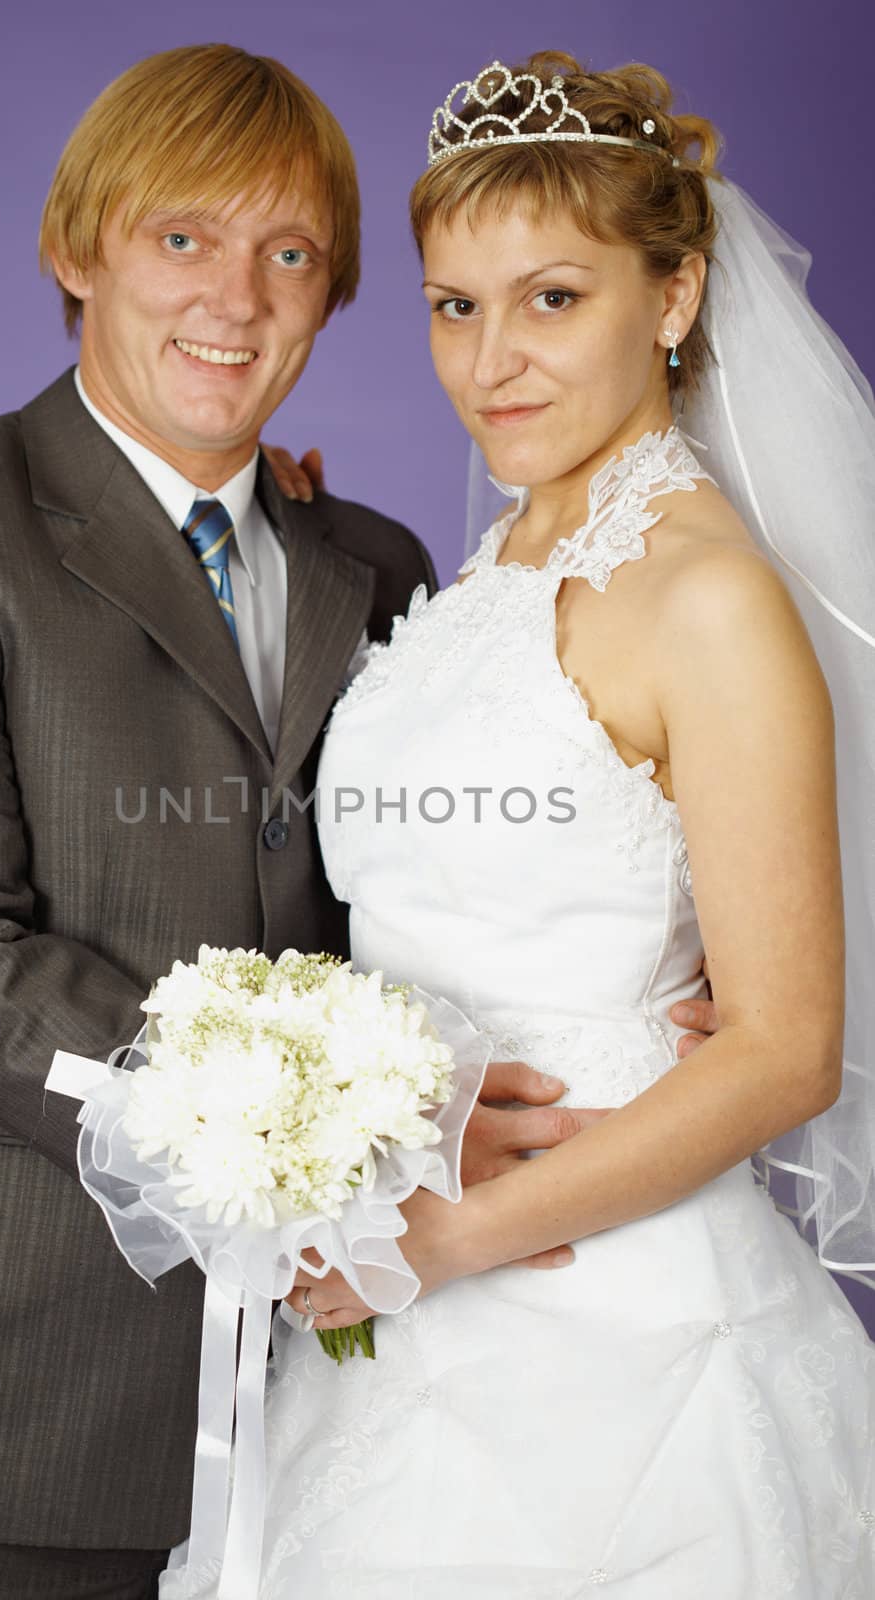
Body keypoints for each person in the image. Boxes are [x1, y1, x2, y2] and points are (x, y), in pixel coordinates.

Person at [0, 42, 587, 1600]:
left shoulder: (375, 560)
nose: (236, 300)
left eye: (289, 254)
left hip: (333, 1400)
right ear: (74, 247)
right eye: (184, 238)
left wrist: (643, 986)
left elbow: (436, 876)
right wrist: (335, 1144)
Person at [214, 51, 875, 1597]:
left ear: (675, 296)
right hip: (397, 1294)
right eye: (456, 305)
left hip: (614, 1312)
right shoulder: (499, 559)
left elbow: (783, 1048)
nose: (491, 361)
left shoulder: (706, 598)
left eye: (554, 299)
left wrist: (445, 1242)